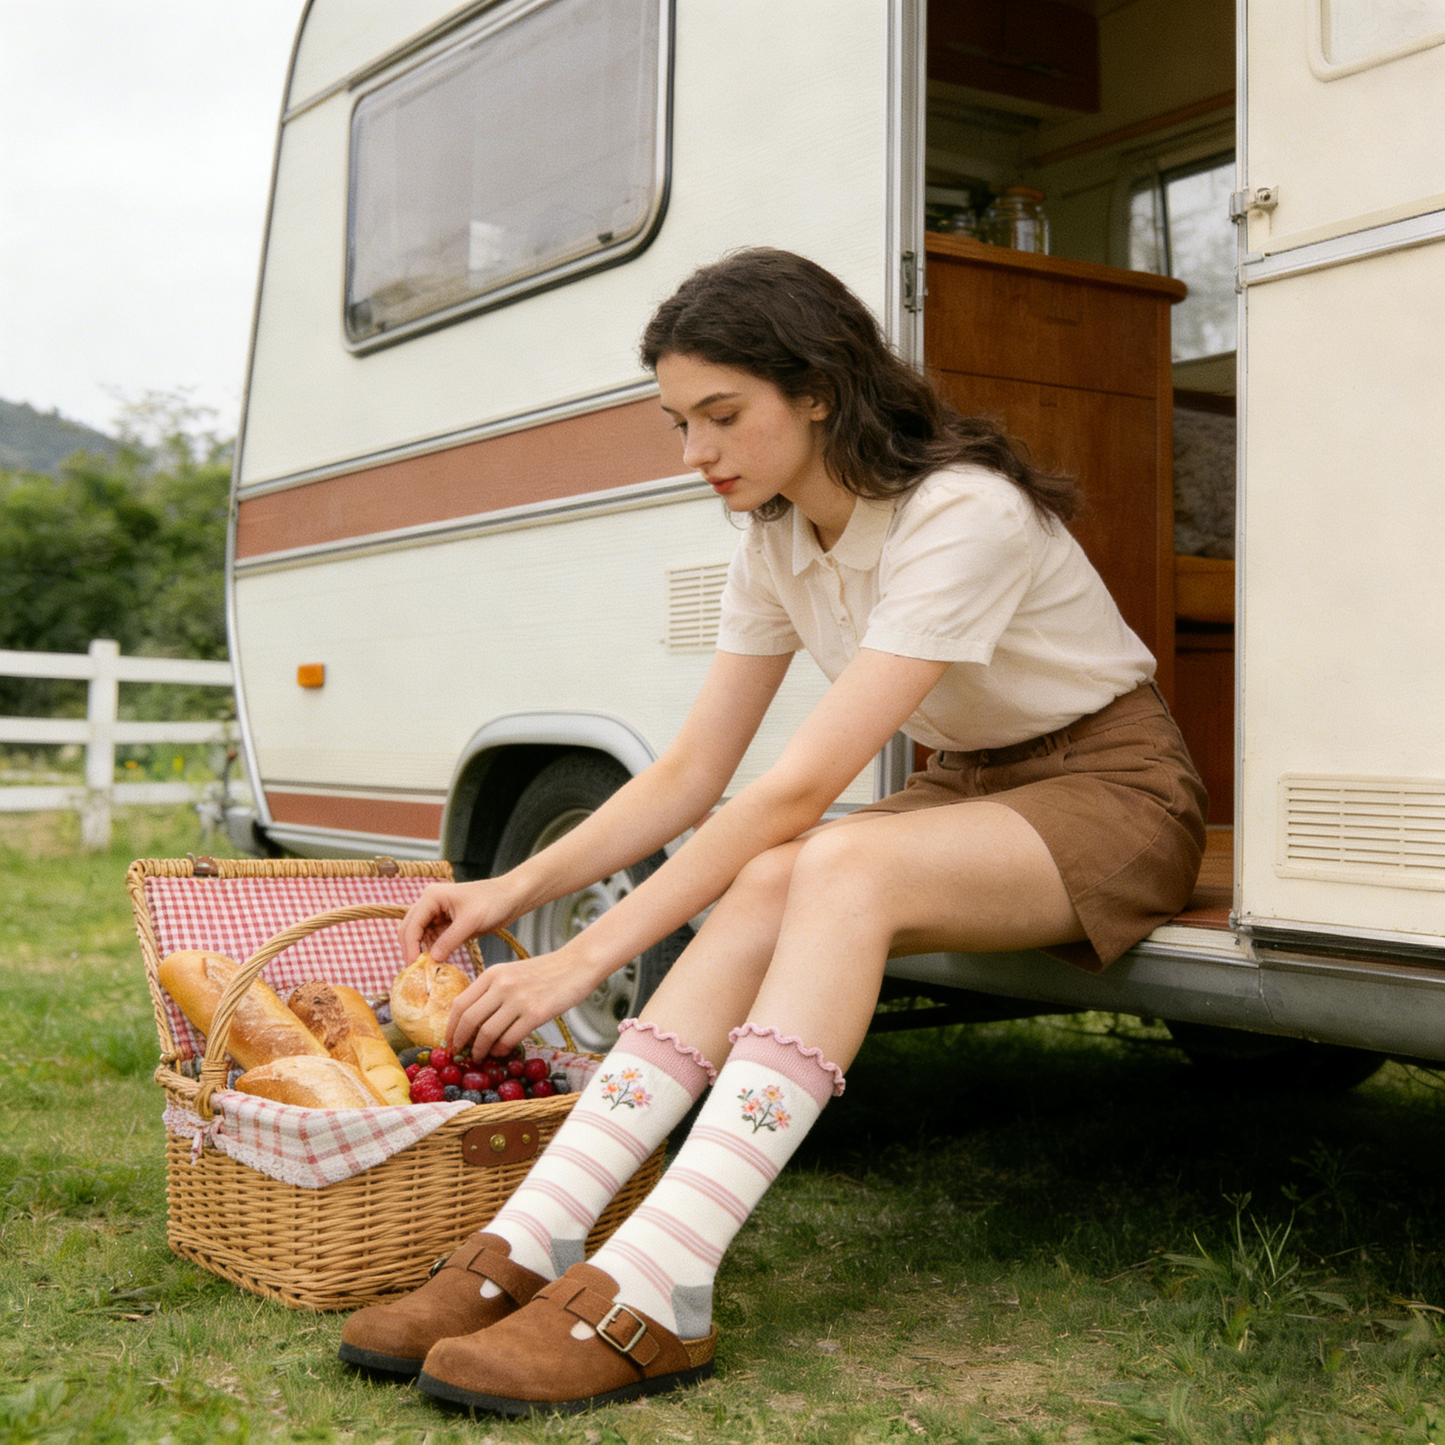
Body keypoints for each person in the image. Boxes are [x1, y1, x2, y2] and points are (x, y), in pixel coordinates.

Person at [339, 247, 1207, 1415]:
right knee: (767, 882)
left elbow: (794, 791)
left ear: (818, 391)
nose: (694, 450)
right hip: (970, 788)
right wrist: (512, 888)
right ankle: (532, 1236)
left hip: (1115, 788)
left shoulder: (963, 512)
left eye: (720, 414)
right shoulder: (775, 539)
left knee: (828, 858)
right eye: (678, 422)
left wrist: (581, 955)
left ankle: (664, 1276)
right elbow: (692, 771)